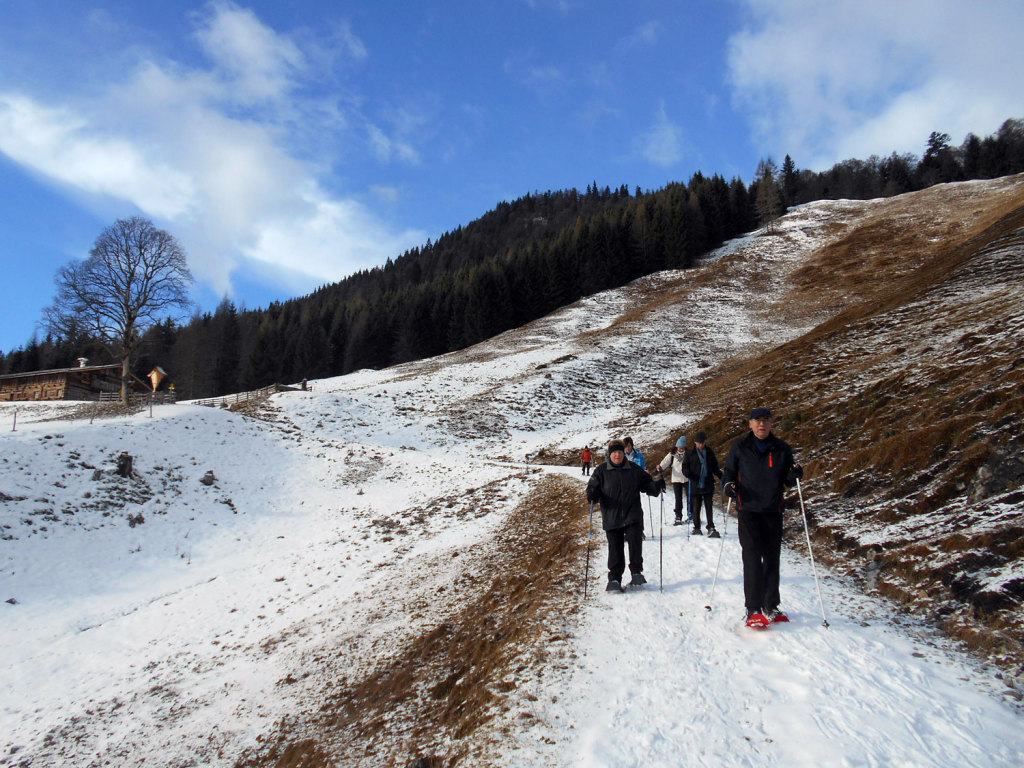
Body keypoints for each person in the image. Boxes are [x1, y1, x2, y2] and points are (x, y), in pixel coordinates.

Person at [722, 408, 803, 628]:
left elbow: (787, 477)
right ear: (750, 424)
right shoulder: (740, 447)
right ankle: (753, 608)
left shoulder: (782, 448)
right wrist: (728, 485)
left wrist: (795, 473)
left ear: (771, 424)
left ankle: (771, 605)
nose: (762, 425)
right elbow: (729, 472)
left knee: (772, 557)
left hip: (772, 510)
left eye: (766, 421)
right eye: (757, 421)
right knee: (752, 557)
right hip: (747, 509)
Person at [586, 439, 664, 592]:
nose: (618, 455)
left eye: (620, 452)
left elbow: (646, 484)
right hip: (611, 515)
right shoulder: (601, 471)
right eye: (615, 452)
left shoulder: (633, 469)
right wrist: (592, 494)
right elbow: (592, 487)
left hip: (632, 514)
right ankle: (614, 579)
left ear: (624, 454)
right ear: (610, 454)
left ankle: (636, 573)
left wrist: (656, 486)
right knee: (615, 548)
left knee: (635, 544)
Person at [683, 431, 723, 537]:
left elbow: (715, 467)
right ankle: (697, 527)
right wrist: (689, 474)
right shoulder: (690, 453)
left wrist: (721, 476)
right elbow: (685, 467)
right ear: (695, 442)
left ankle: (711, 527)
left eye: (702, 442)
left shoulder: (709, 452)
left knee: (709, 506)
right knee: (697, 506)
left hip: (708, 483)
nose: (701, 444)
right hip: (696, 484)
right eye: (699, 442)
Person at [658, 436, 691, 525]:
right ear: (676, 446)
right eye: (679, 447)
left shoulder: (688, 454)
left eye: (682, 447)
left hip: (687, 479)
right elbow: (665, 461)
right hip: (676, 479)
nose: (680, 449)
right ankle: (678, 516)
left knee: (690, 497)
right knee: (678, 498)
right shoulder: (672, 454)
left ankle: (690, 514)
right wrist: (660, 467)